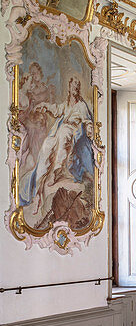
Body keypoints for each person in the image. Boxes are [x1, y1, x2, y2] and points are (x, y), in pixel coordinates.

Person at [21, 76, 96, 230]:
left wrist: (89, 129)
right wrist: (44, 105)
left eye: (77, 86)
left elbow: (88, 120)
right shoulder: (67, 104)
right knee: (47, 145)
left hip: (71, 132)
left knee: (63, 136)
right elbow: (57, 110)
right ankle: (38, 190)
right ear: (69, 88)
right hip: (60, 130)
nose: (75, 88)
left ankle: (56, 172)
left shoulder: (81, 106)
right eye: (73, 85)